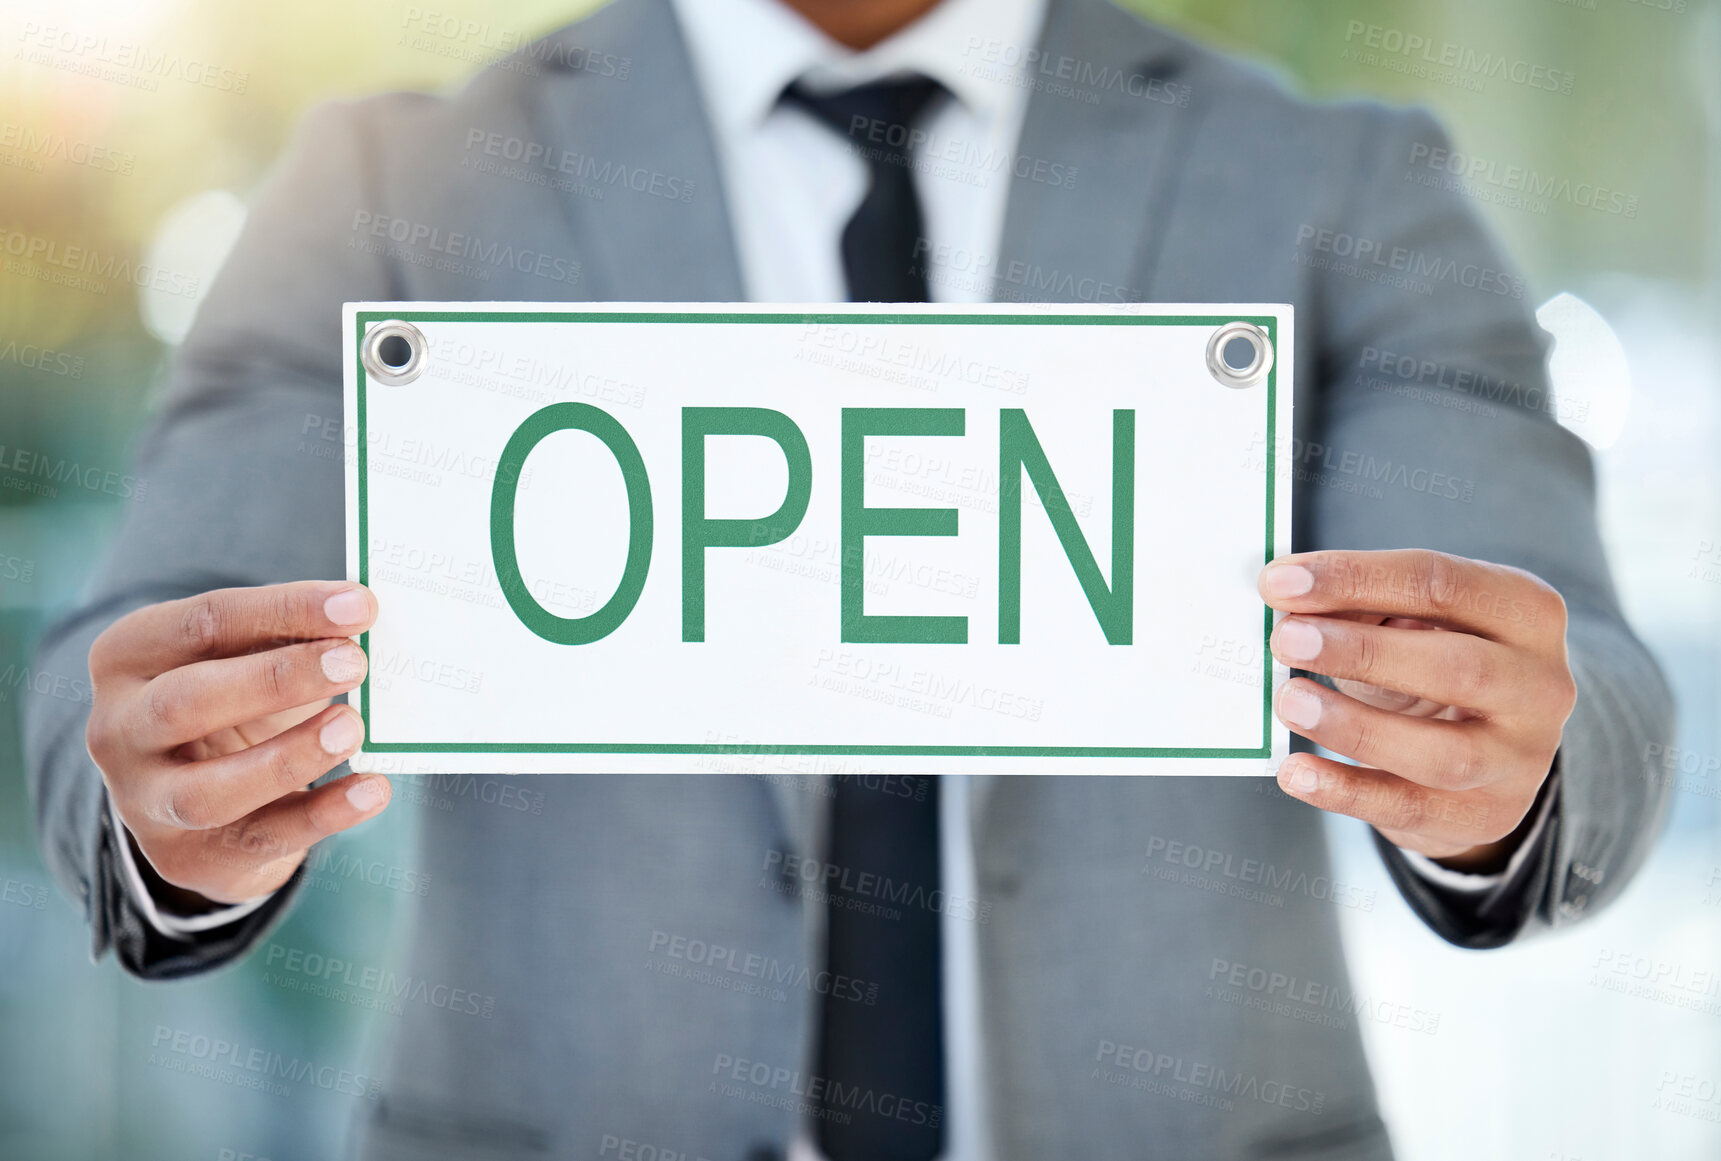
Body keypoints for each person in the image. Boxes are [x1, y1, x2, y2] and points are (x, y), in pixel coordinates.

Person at [24, 0, 1674, 1157]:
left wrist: (1506, 761)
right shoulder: (387, 187)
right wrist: (175, 797)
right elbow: (128, 661)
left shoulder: (1342, 183)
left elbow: (1575, 667)